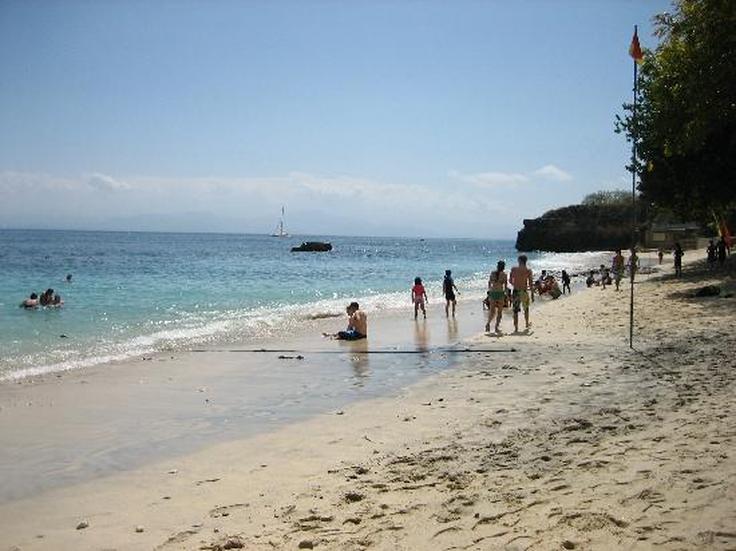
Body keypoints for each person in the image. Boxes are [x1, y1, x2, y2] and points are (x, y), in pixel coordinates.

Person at [509, 255, 534, 333]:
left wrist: (515, 284)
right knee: (526, 309)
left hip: (516, 291)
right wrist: (532, 294)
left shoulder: (514, 269)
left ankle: (516, 327)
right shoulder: (528, 270)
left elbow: (510, 280)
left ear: (519, 260)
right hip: (524, 291)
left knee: (515, 310)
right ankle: (526, 323)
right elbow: (530, 283)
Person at [485, 260, 507, 333]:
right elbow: (505, 286)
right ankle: (496, 327)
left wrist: (489, 291)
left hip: (493, 293)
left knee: (492, 311)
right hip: (500, 293)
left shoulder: (492, 273)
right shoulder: (504, 274)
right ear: (503, 267)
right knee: (500, 311)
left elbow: (489, 283)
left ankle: (488, 324)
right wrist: (507, 295)